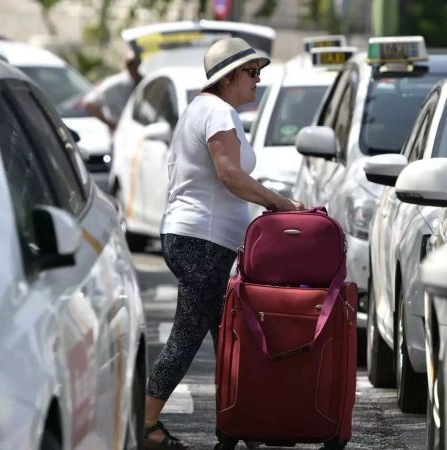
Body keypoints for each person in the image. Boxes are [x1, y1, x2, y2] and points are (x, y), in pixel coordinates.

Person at [142, 37, 304, 449]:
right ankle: (148, 426)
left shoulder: (205, 109)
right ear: (229, 76)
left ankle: (237, 429)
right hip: (201, 241)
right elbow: (230, 174)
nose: (258, 81)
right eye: (253, 73)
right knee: (204, 335)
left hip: (198, 239)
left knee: (223, 335)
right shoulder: (217, 111)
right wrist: (281, 203)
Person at [83, 50, 142, 132]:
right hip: (122, 134)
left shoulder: (143, 80)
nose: (136, 67)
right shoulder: (115, 84)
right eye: (131, 64)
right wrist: (111, 124)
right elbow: (88, 103)